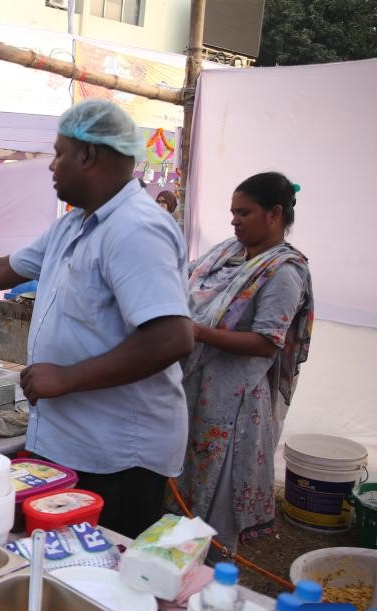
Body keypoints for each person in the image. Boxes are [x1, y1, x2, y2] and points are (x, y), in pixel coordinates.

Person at [0, 100, 193, 538]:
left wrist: (67, 378)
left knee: (98, 576)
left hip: (116, 455)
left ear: (88, 155)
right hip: (65, 439)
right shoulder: (75, 224)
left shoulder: (135, 227)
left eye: (59, 153)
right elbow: (5, 269)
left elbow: (171, 337)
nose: (52, 166)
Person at [173, 172, 313, 555]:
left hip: (231, 402)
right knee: (180, 484)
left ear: (275, 214)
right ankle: (174, 560)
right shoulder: (226, 254)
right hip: (191, 386)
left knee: (216, 493)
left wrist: (197, 333)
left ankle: (212, 576)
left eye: (244, 212)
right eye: (233, 212)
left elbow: (267, 342)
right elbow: (182, 282)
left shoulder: (283, 272)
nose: (234, 220)